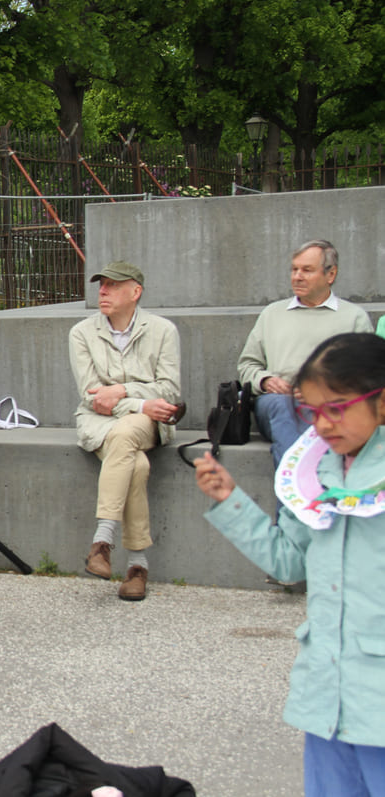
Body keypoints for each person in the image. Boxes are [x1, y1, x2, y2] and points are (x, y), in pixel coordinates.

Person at [196, 332, 385, 796]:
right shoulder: (317, 473)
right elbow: (289, 561)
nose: (323, 425)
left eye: (337, 408)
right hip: (328, 699)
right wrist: (230, 500)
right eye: (314, 411)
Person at [69, 261, 181, 602]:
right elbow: (92, 395)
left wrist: (121, 391)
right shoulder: (81, 333)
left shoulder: (163, 330)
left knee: (127, 433)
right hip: (101, 421)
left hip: (146, 423)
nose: (103, 291)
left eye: (113, 285)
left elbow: (171, 392)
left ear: (136, 292)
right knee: (137, 464)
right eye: (101, 285)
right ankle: (137, 566)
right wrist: (141, 403)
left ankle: (102, 541)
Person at [237, 239, 371, 469]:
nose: (297, 276)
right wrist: (267, 380)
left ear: (331, 275)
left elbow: (369, 376)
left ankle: (294, 498)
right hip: (278, 403)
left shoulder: (354, 317)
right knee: (282, 406)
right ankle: (303, 477)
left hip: (331, 406)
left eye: (307, 270)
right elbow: (247, 365)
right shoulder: (272, 314)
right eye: (294, 269)